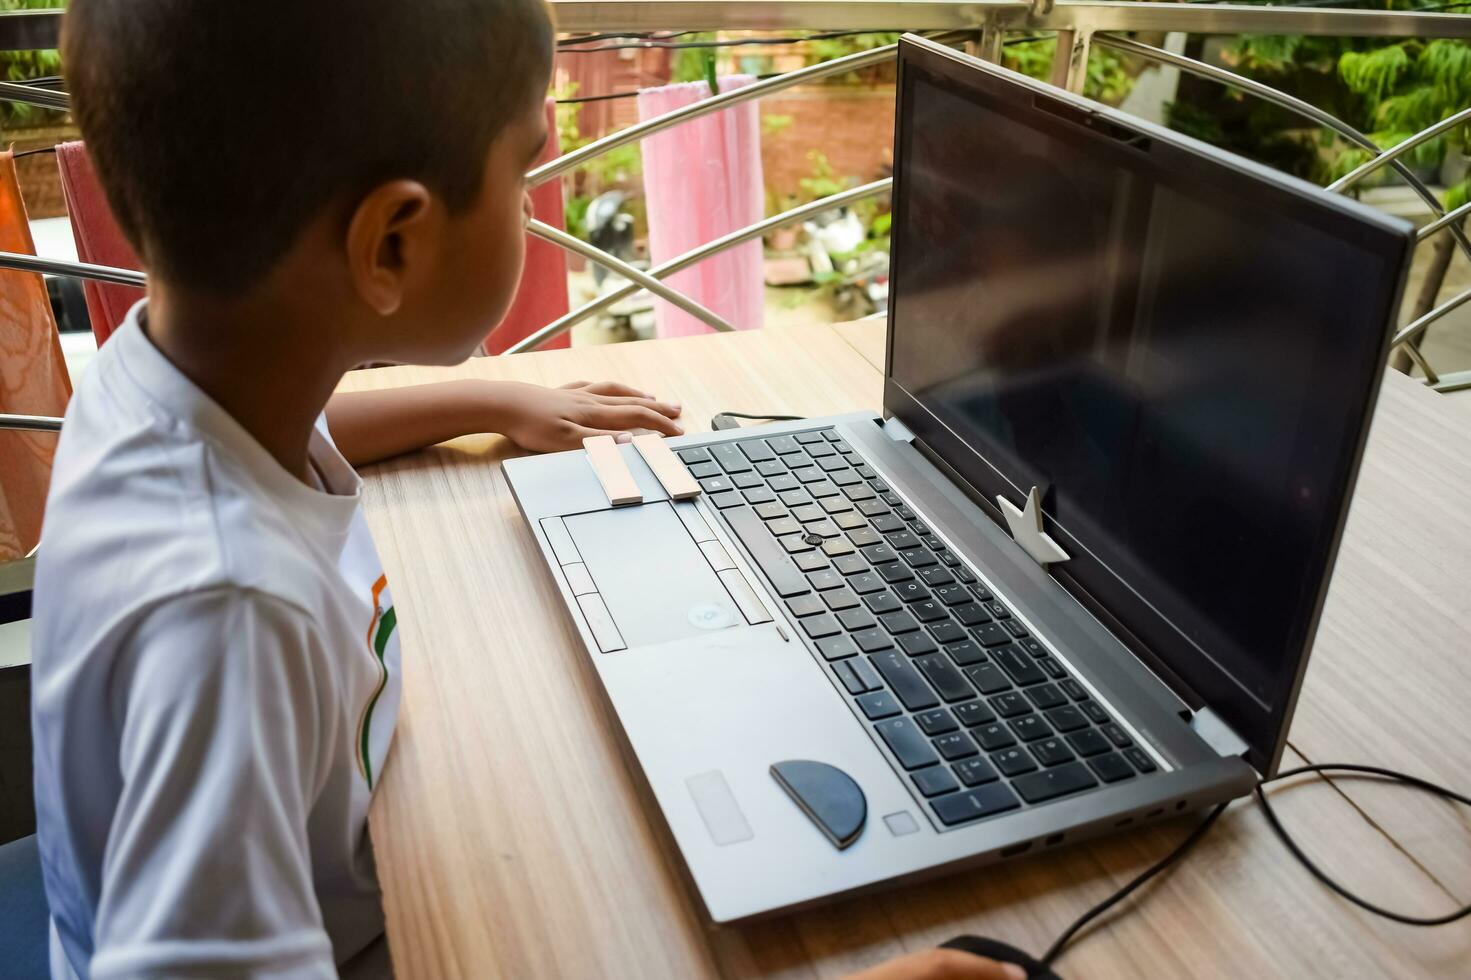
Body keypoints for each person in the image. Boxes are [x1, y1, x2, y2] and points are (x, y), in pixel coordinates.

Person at [30, 3, 1026, 979]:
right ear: (392, 245)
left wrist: (490, 397)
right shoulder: (229, 612)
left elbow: (302, 436)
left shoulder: (159, 381)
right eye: (525, 168)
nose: (530, 203)